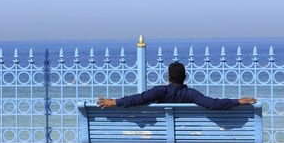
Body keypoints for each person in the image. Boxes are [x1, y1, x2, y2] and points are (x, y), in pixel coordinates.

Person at [97, 62, 256, 109]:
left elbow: (138, 99)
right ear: (185, 77)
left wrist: (114, 102)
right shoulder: (191, 94)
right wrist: (238, 101)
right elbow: (213, 104)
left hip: (160, 137)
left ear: (168, 77)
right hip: (183, 137)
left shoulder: (159, 91)